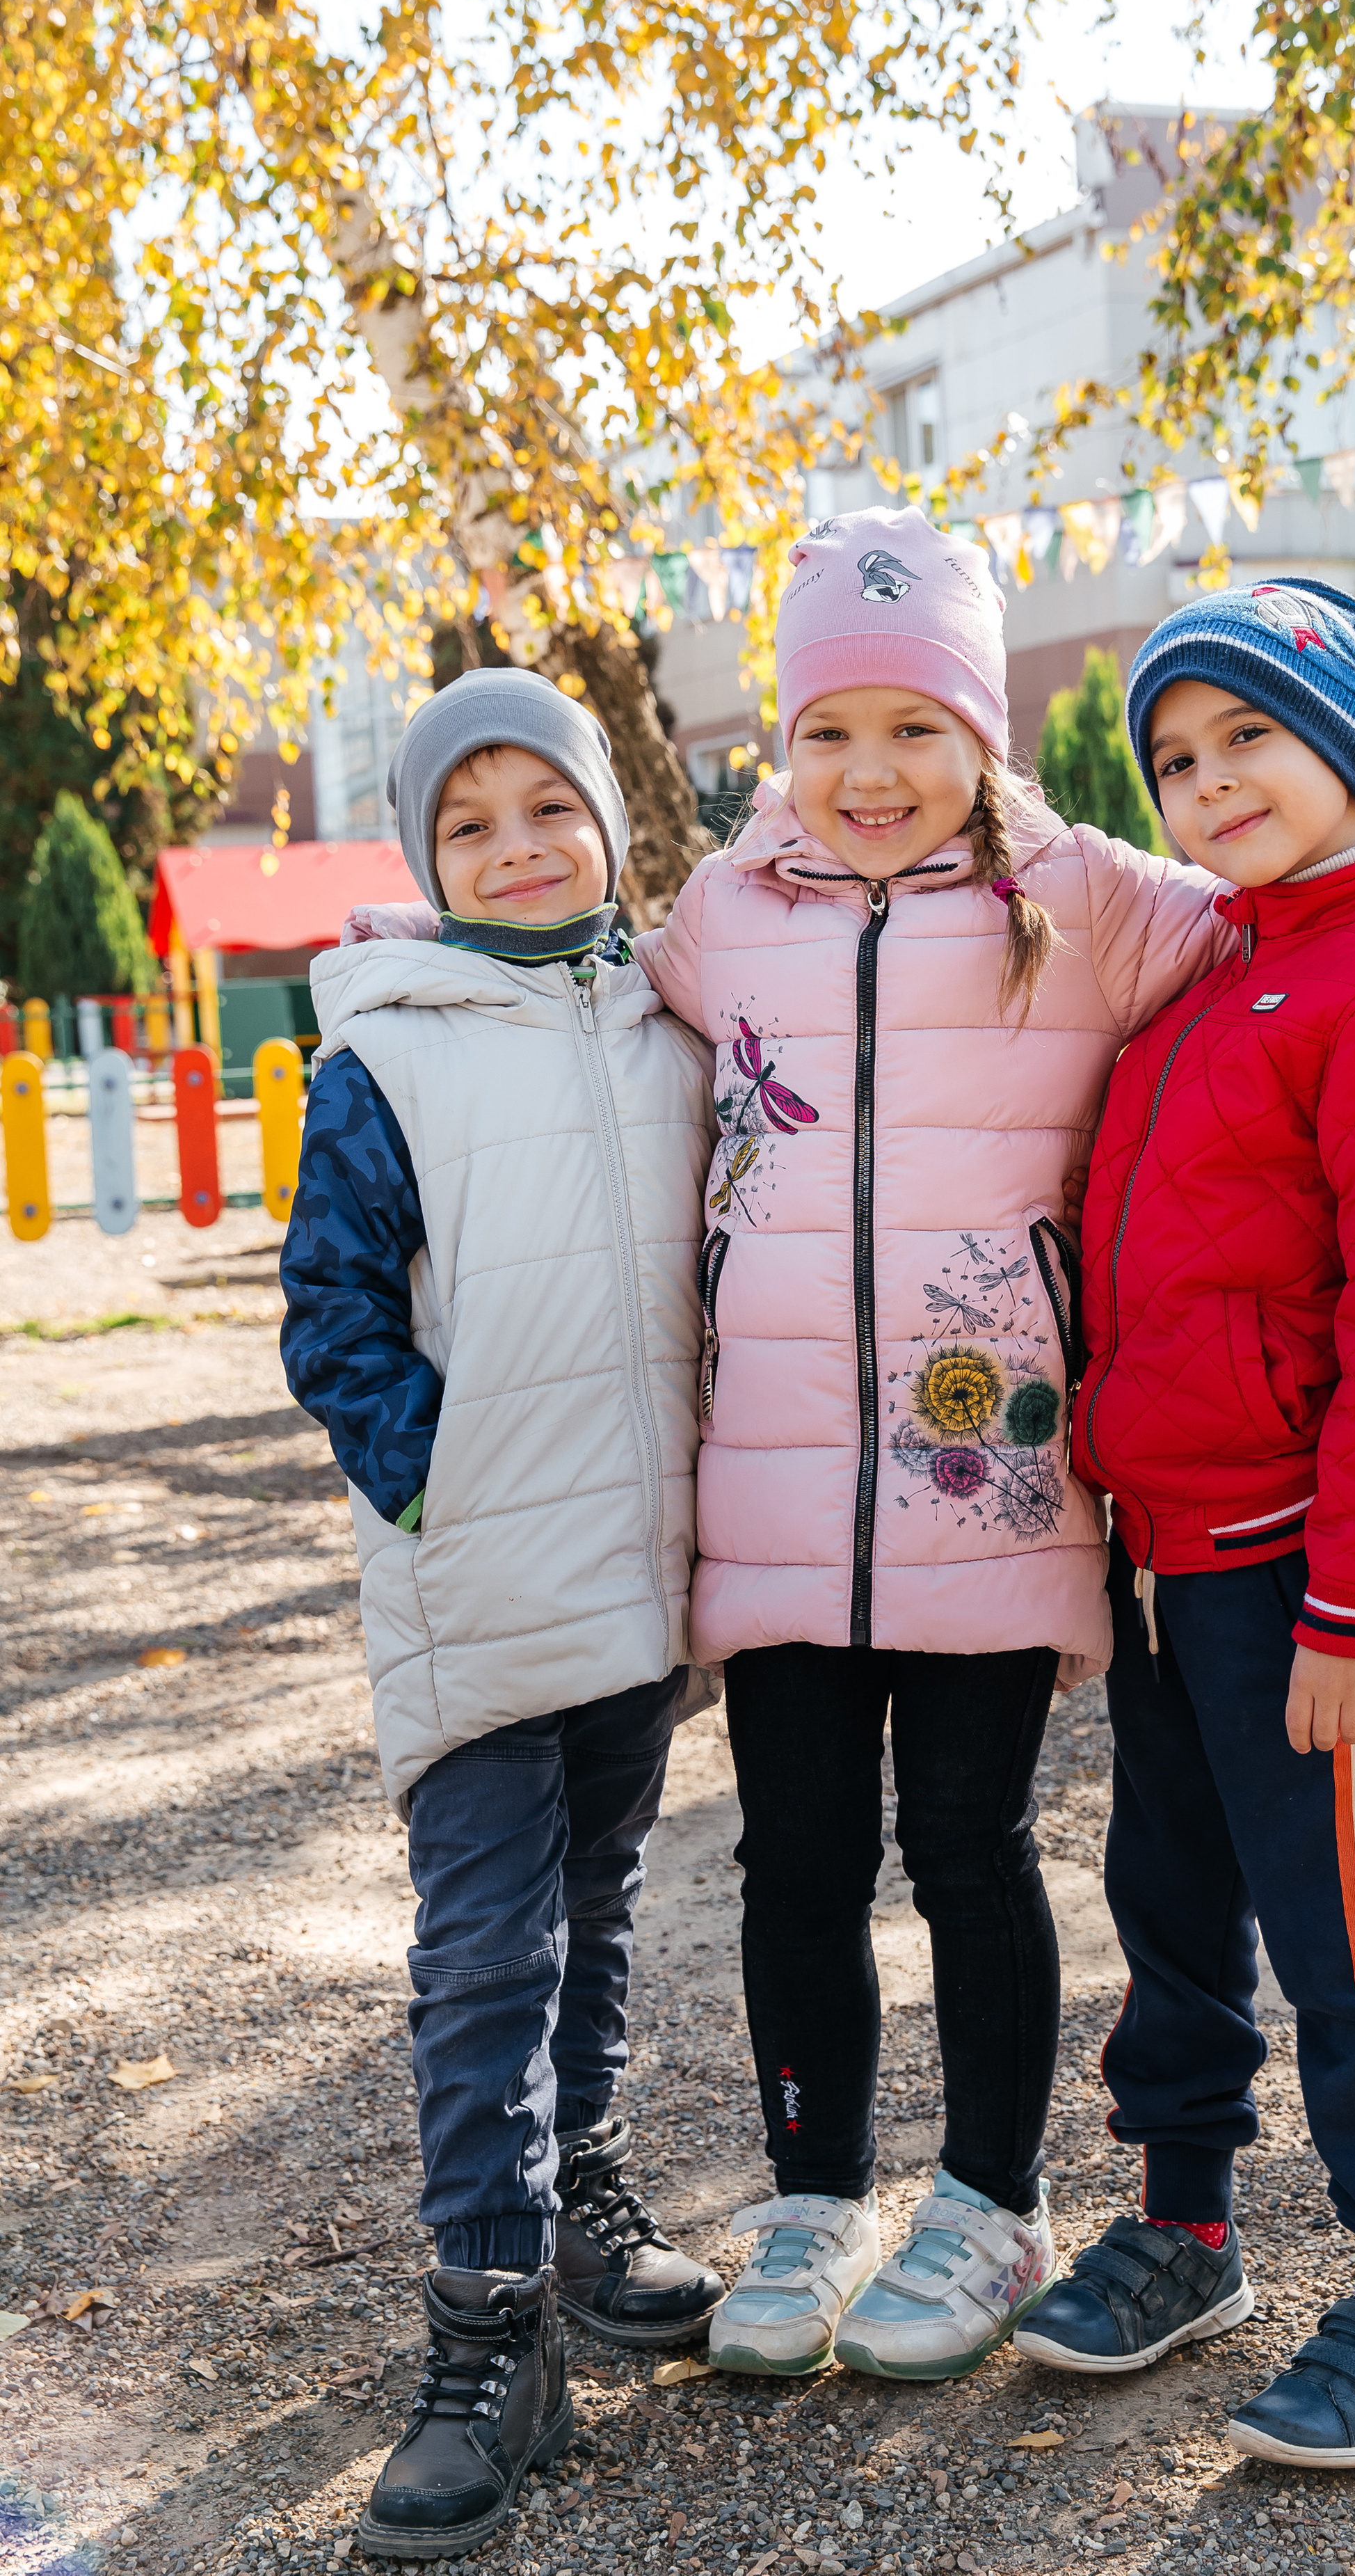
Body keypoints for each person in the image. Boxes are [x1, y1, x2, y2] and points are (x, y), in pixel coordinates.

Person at [614, 511, 1355, 2385]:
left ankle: (1240, 2259)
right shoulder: (741, 917)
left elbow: (1328, 922)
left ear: (987, 734)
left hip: (1143, 1532)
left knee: (1157, 1897)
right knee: (979, 1889)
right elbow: (597, 1009)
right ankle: (1008, 2213)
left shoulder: (1134, 914)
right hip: (944, 1519)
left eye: (920, 727)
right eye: (826, 731)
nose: (870, 772)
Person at [1011, 580, 1355, 2468]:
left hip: (1303, 1576)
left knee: (1350, 1949)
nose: (1210, 782)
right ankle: (1187, 2227)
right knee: (1170, 1921)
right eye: (1176, 755)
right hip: (1165, 1561)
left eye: (1250, 737)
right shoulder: (1210, 982)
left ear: (1345, 749)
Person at [281, 668, 723, 2560]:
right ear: (422, 857)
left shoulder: (679, 1010)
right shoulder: (382, 1051)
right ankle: (482, 2338)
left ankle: (580, 2197)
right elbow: (333, 1314)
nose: (517, 846)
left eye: (547, 806)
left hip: (642, 1572)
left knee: (602, 1905)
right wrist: (430, 1489)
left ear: (611, 823)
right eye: (467, 824)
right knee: (486, 1951)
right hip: (478, 1579)